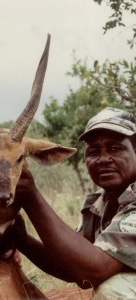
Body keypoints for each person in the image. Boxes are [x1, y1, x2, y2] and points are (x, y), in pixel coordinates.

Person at [14, 107, 136, 299]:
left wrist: (31, 198)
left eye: (115, 148)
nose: (103, 159)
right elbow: (74, 267)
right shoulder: (99, 203)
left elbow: (94, 269)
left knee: (113, 291)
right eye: (93, 151)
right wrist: (21, 240)